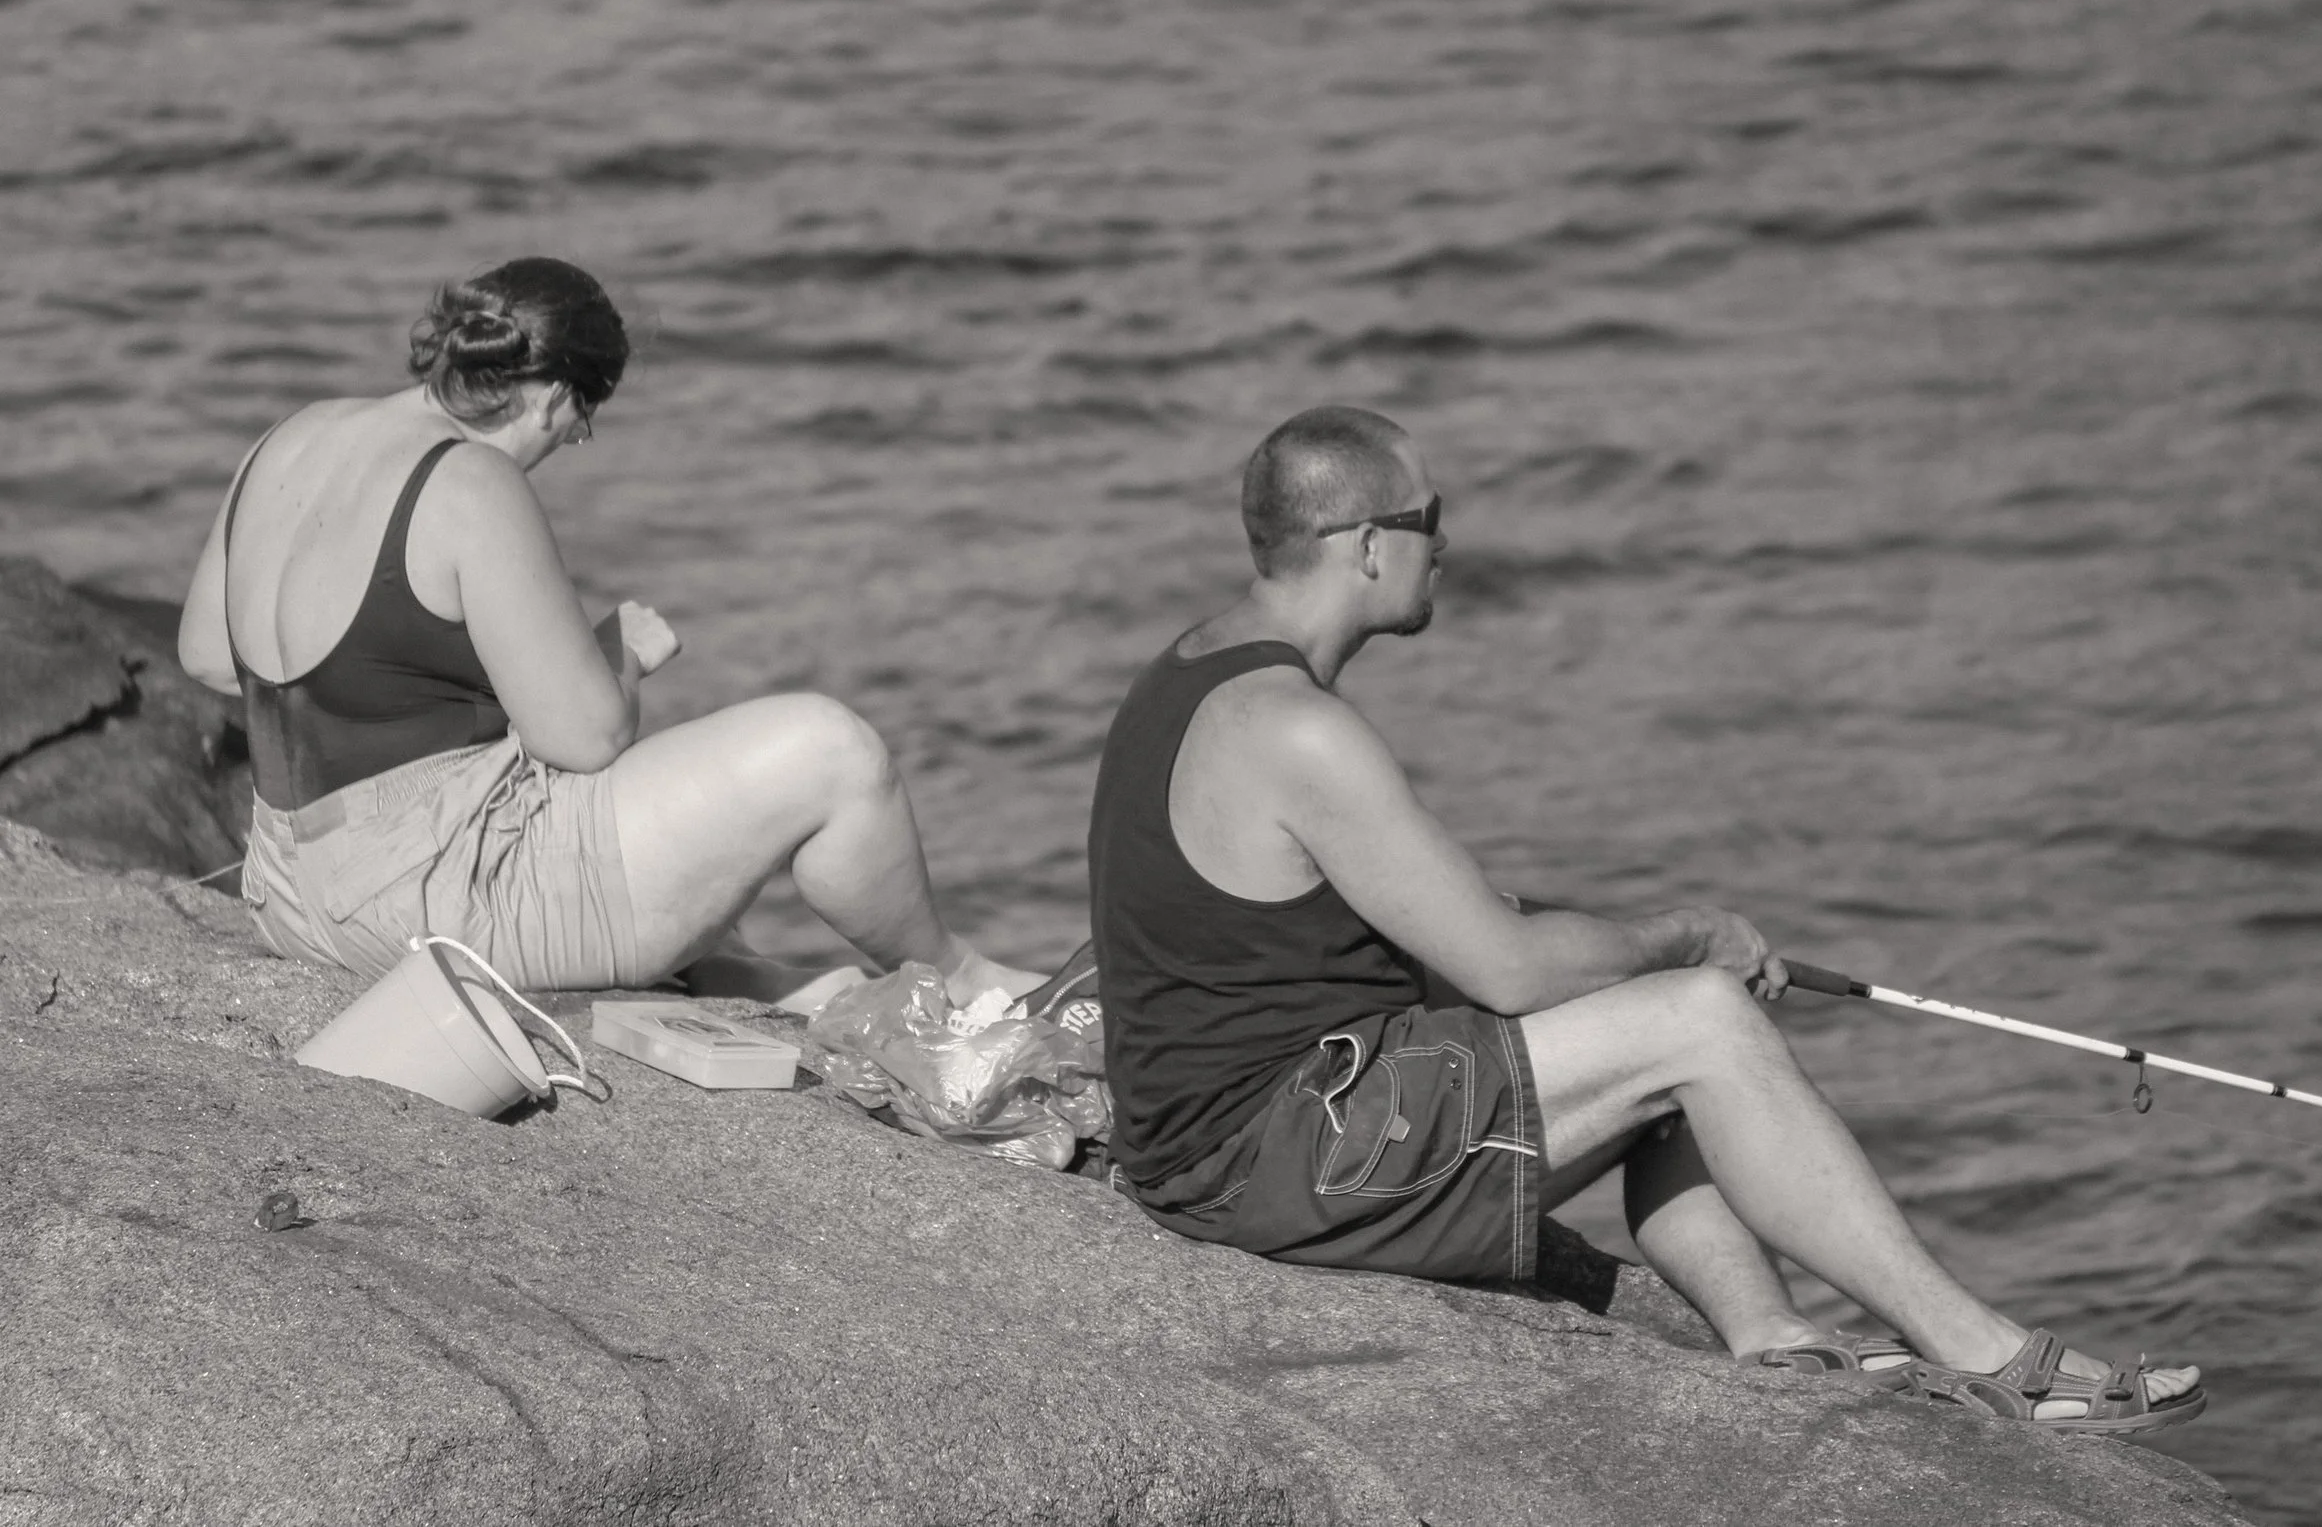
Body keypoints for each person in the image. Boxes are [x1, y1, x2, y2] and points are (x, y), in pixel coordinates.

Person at [1086, 404, 2205, 1435]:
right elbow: (1510, 967)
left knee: (1648, 1028)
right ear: (1365, 544)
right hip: (1273, 1160)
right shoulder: (1296, 727)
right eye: (1431, 520)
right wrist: (1685, 932)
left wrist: (1618, 964)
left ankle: (1769, 1332)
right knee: (1698, 1019)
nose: (1447, 545)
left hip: (1246, 1131)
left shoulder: (1196, 670)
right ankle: (1987, 1352)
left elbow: (1347, 936)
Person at [178, 256, 1033, 1007]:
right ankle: (956, 979)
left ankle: (751, 979)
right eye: (583, 421)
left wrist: (413, 701)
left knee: (624, 816)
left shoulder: (286, 439)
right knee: (833, 752)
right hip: (423, 912)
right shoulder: (470, 480)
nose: (572, 438)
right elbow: (587, 737)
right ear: (553, 394)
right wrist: (619, 648)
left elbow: (209, 657)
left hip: (286, 893)